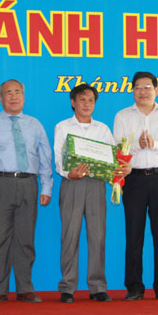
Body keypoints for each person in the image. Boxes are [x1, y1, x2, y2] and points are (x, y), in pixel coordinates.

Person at [54, 83, 131, 303]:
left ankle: (97, 286)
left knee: (97, 236)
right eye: (82, 100)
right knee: (70, 236)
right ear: (73, 102)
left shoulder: (102, 129)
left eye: (91, 100)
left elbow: (113, 158)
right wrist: (70, 173)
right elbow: (59, 158)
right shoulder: (62, 127)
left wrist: (121, 168)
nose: (87, 104)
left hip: (97, 185)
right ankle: (67, 287)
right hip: (72, 184)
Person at [0, 79, 53, 304]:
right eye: (8, 93)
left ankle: (25, 288)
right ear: (1, 98)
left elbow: (45, 156)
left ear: (24, 96)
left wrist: (46, 186)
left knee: (25, 239)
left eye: (17, 92)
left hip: (28, 183)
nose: (13, 96)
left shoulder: (34, 124)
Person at [113, 71, 158, 301]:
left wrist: (155, 144)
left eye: (147, 87)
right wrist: (137, 145)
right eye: (138, 87)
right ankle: (134, 286)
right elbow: (118, 148)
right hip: (134, 179)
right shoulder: (122, 116)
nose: (143, 91)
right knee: (134, 234)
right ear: (132, 91)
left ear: (156, 90)